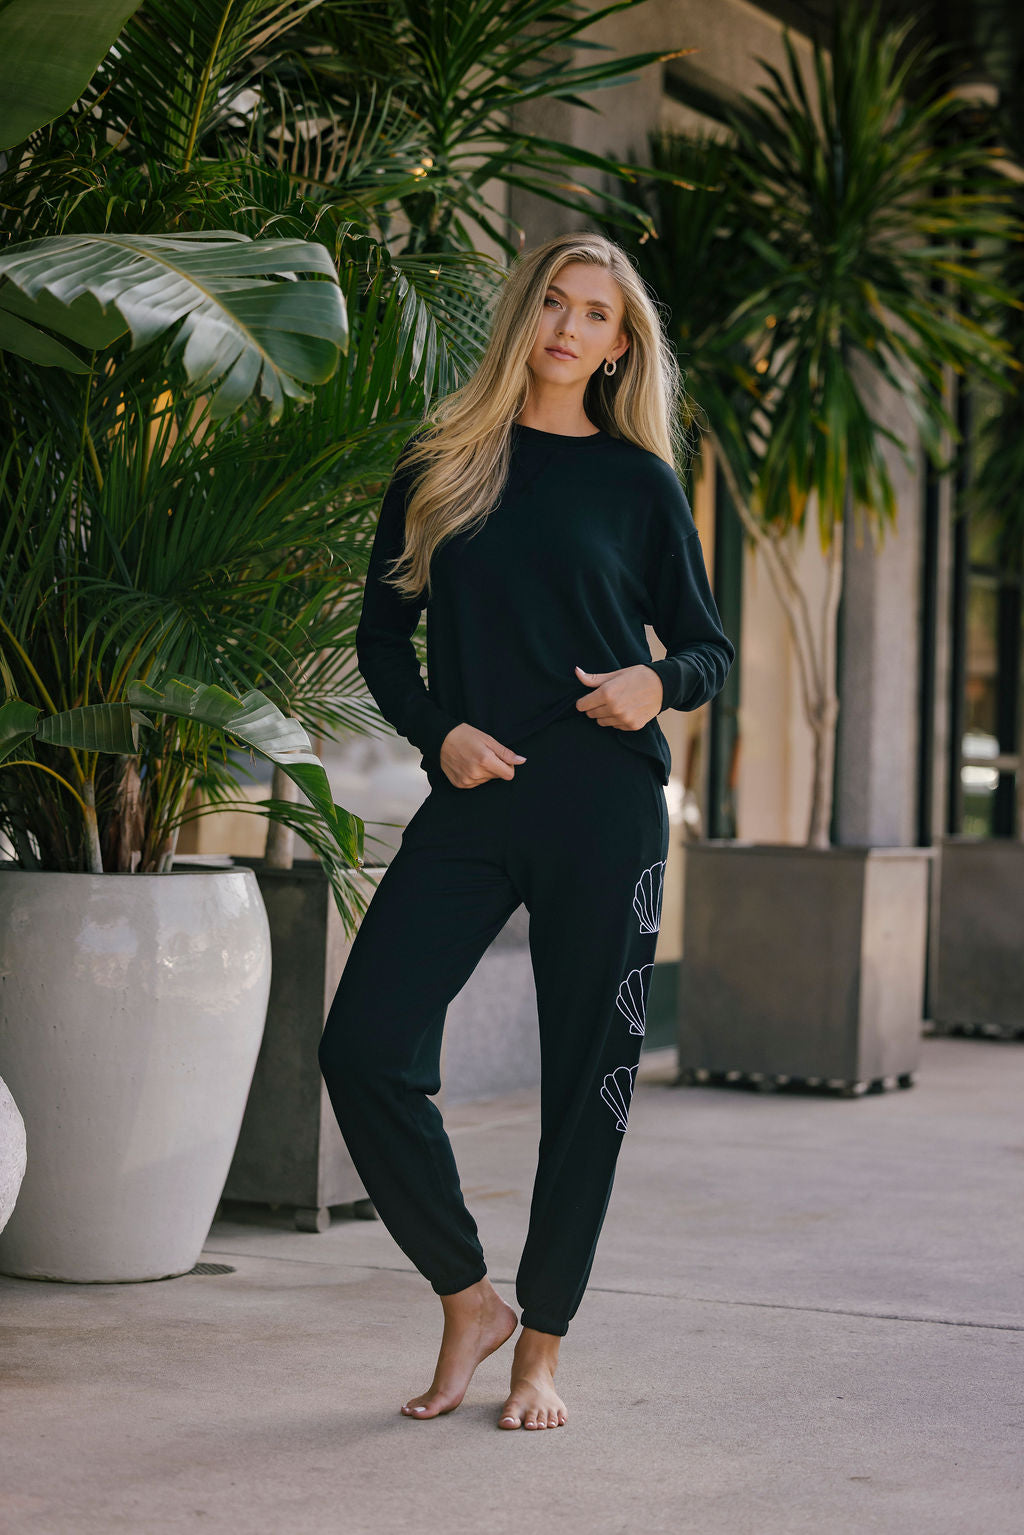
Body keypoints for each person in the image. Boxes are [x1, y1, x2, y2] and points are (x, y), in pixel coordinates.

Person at [318, 230, 734, 1432]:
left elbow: (704, 645)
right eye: (553, 301)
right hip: (476, 794)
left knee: (584, 1086)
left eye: (595, 314)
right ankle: (467, 1293)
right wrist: (437, 732)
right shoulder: (446, 461)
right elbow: (383, 639)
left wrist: (656, 686)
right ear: (525, 315)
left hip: (606, 805)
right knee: (366, 1046)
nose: (567, 326)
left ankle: (540, 1347)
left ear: (618, 346)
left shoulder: (640, 483)